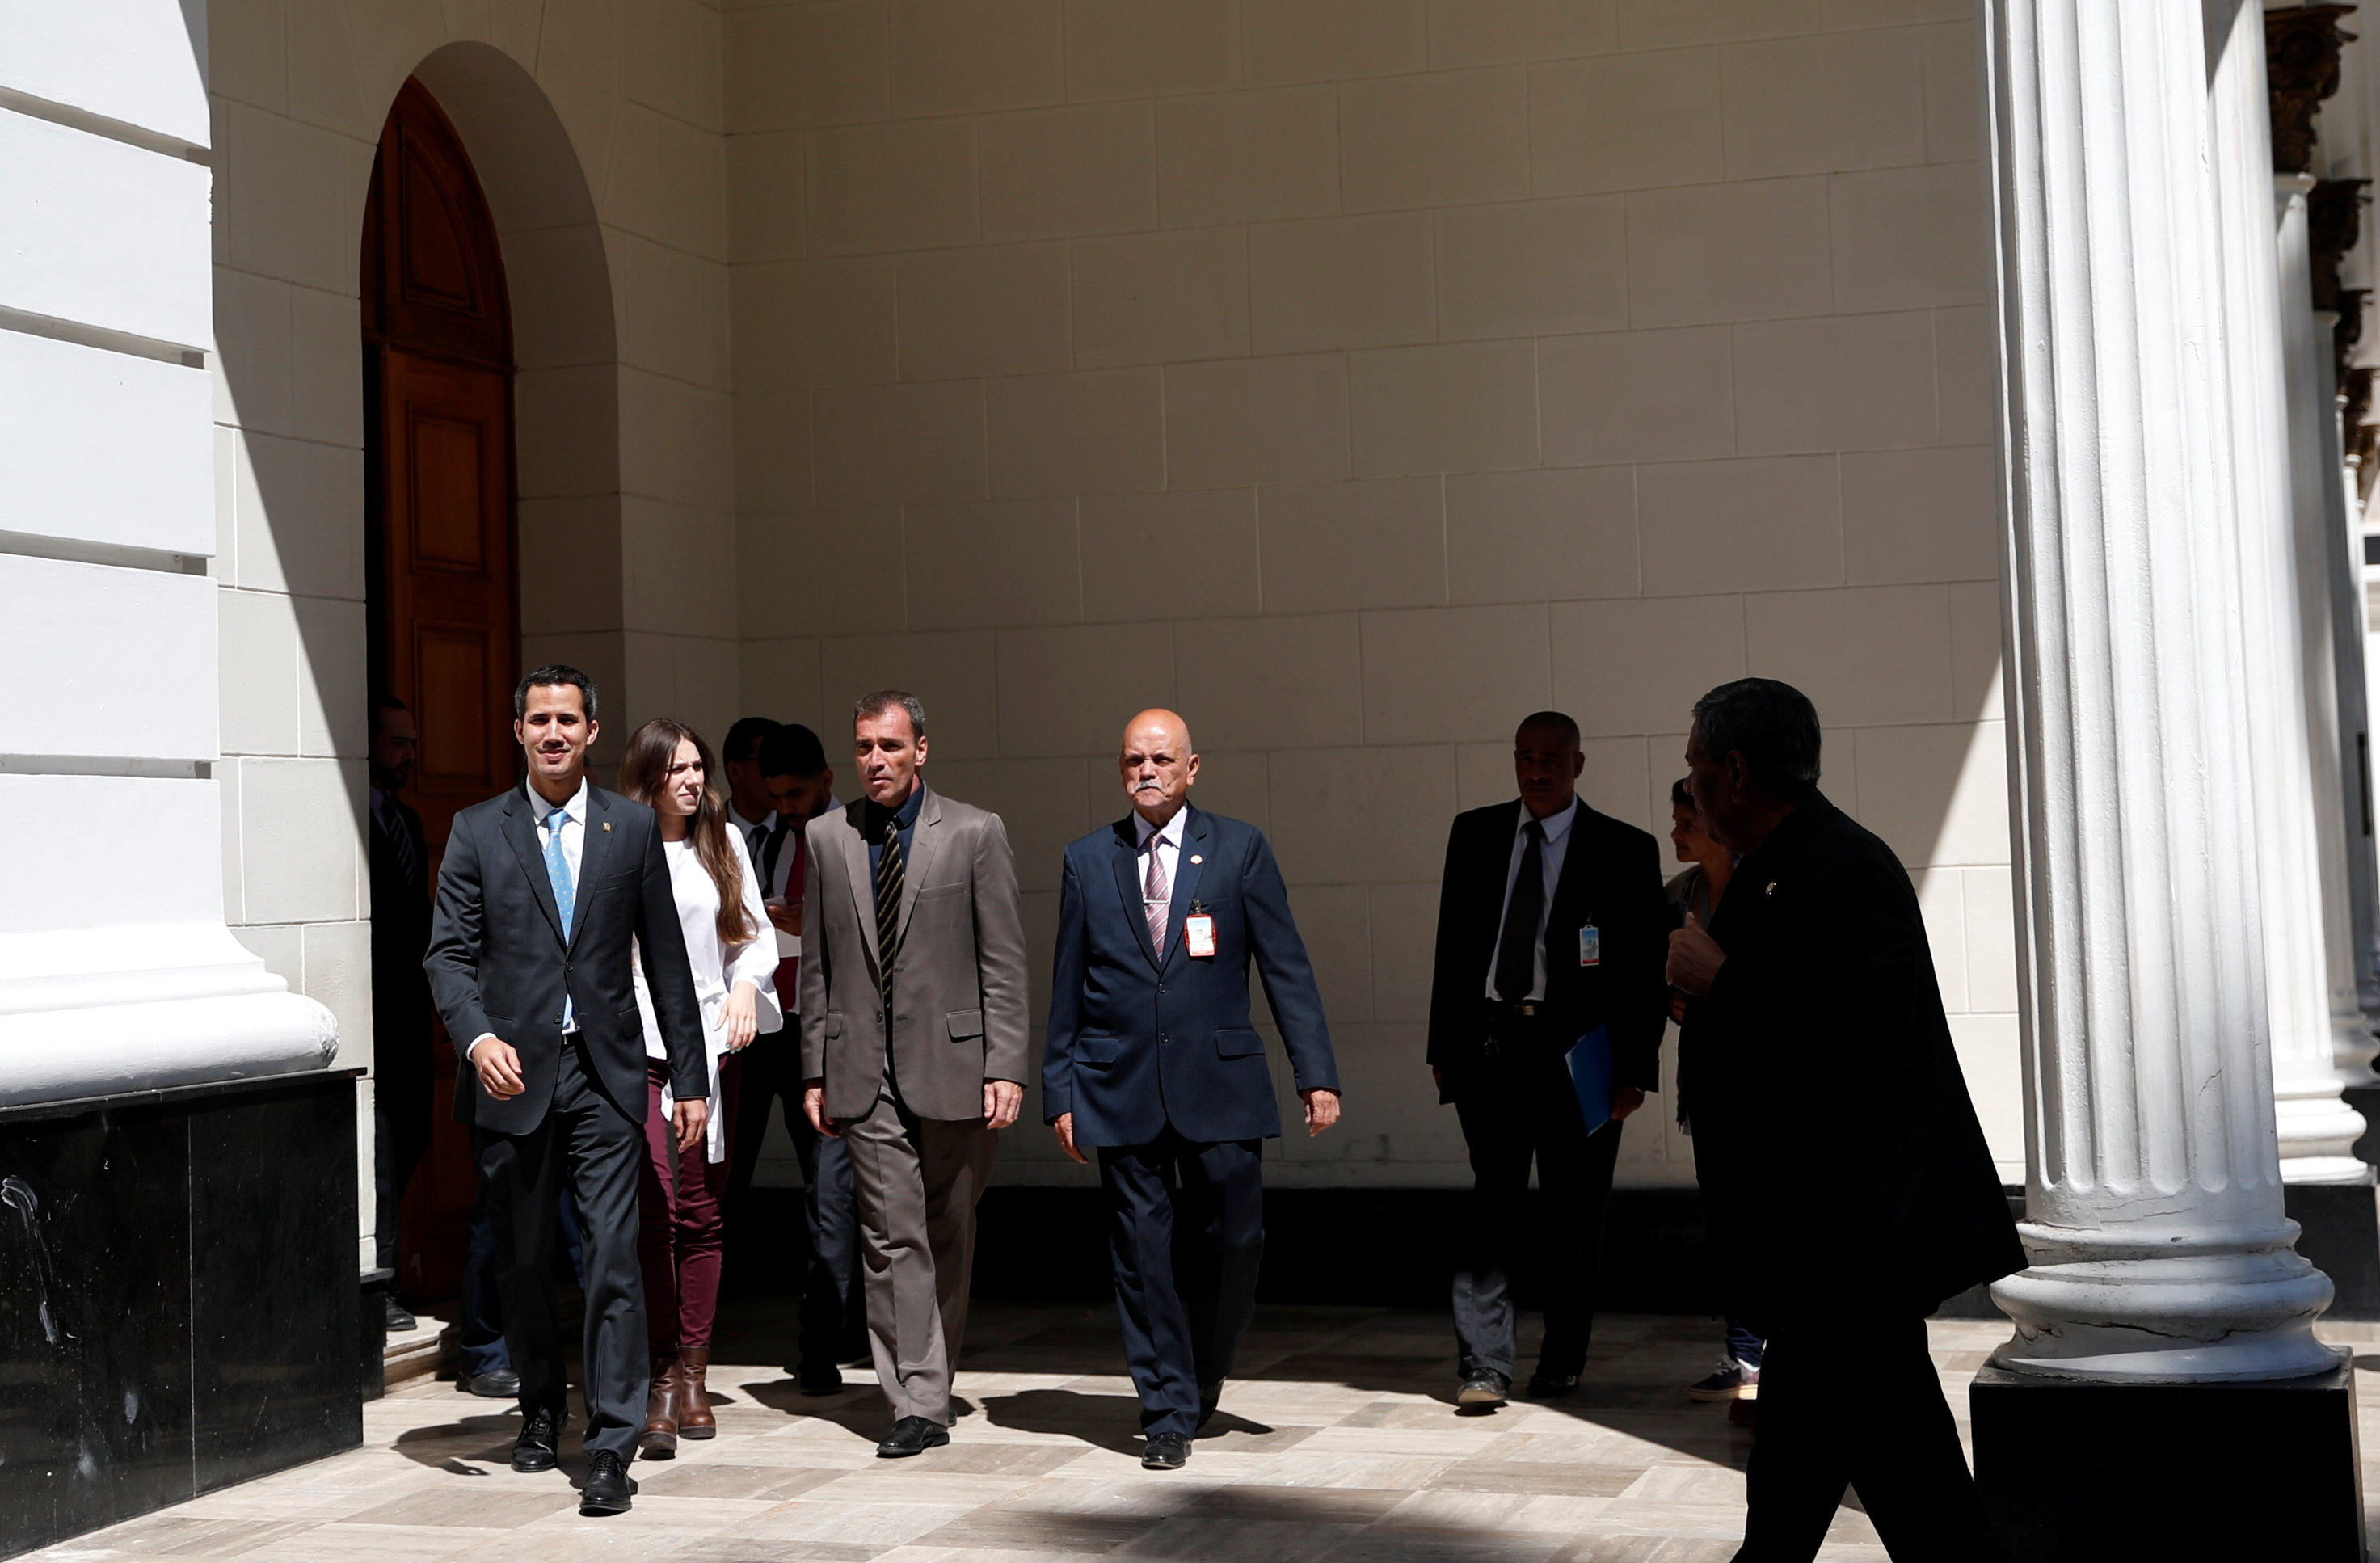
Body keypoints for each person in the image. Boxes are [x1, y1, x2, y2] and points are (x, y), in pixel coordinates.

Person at [1666, 678, 2021, 1562]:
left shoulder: (1844, 865)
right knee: (1806, 1475)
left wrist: (1723, 980)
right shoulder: (1777, 867)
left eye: (1696, 766)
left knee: (1913, 1492)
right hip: (1816, 1250)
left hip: (1852, 1242)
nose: (1691, 785)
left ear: (1737, 771)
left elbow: (1861, 1037)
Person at [423, 664, 710, 1516]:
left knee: (614, 1255)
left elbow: (665, 960)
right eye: (538, 719)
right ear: (518, 731)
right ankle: (541, 1407)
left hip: (606, 1075)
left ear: (591, 732)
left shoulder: (629, 830)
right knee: (521, 1259)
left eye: (568, 719)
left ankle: (613, 1440)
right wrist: (476, 1038)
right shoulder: (477, 830)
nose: (553, 732)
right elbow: (446, 953)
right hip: (512, 1076)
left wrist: (689, 1078)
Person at [1043, 710, 1341, 1471]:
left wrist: (1317, 1075)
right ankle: (1167, 1408)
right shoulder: (1087, 859)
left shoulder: (1238, 848)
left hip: (1221, 1083)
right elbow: (1067, 987)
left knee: (1234, 1240)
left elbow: (1286, 966)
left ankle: (1201, 1376)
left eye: (1161, 759)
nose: (1147, 771)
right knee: (1141, 1255)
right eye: (1133, 760)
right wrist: (1061, 1090)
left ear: (1192, 767)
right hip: (1118, 1086)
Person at [799, 690, 1028, 1458]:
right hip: (861, 1069)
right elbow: (818, 968)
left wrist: (1006, 1065)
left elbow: (1003, 961)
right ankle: (916, 1400)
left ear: (920, 750)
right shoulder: (827, 837)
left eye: (890, 746)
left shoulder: (973, 832)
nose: (876, 761)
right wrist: (813, 1070)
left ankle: (932, 1373)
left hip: (957, 1065)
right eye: (864, 746)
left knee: (947, 1228)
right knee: (889, 1234)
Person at [1425, 711, 1668, 1409]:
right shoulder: (1473, 834)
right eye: (1525, 758)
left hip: (1580, 1058)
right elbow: (1452, 947)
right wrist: (1444, 1047)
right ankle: (1483, 1366)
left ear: (1578, 765)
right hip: (1491, 1048)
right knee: (1490, 1209)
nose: (1537, 771)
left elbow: (1642, 974)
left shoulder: (1623, 849)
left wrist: (1633, 1072)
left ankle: (1561, 1360)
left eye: (1551, 760)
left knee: (1574, 1213)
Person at [617, 719, 782, 1457]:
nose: (692, 780)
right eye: (677, 768)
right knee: (657, 1213)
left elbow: (751, 937)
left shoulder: (723, 843)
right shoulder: (623, 843)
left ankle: (693, 1372)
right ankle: (656, 1372)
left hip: (713, 1049)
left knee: (704, 1213)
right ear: (648, 776)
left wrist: (747, 987)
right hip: (642, 1047)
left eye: (698, 767)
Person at [735, 723, 866, 1393]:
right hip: (764, 1030)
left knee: (832, 1193)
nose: (785, 805)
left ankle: (826, 1339)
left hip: (830, 1035)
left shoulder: (850, 839)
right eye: (775, 795)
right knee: (731, 1171)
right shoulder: (761, 840)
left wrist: (809, 918)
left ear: (825, 782)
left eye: (795, 793)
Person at [1662, 777, 1765, 1405]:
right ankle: (1743, 1351)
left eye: (1684, 821)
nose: (1674, 832)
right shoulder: (1679, 894)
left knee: (1763, 1215)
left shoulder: (1763, 888)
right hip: (1705, 1079)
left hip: (1760, 1082)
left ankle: (1768, 1346)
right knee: (1726, 1218)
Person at [368, 696, 433, 1334]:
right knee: (382, 1153)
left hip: (414, 1013)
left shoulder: (408, 822)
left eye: (412, 743)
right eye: (396, 742)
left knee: (413, 1134)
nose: (409, 754)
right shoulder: (350, 821)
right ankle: (379, 1280)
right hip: (368, 1013)